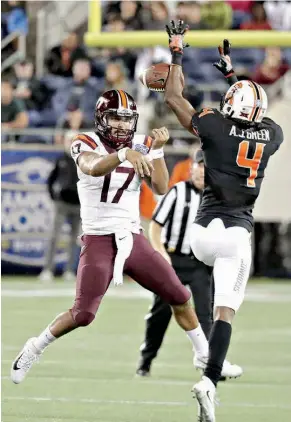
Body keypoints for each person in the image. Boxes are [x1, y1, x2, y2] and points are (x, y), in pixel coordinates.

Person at [11, 89, 209, 392]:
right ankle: (34, 348)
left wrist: (156, 151)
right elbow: (92, 166)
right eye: (115, 117)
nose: (121, 125)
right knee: (83, 314)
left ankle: (204, 355)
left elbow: (159, 186)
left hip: (132, 236)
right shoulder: (85, 141)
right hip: (99, 238)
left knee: (179, 295)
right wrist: (123, 154)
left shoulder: (140, 143)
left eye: (127, 119)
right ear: (102, 118)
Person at [164, 22, 283, 422]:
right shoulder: (273, 134)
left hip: (200, 235)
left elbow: (173, 95)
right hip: (235, 235)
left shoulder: (213, 124)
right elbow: (250, 115)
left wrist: (177, 51)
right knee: (225, 310)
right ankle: (209, 379)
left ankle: (209, 369)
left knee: (205, 289)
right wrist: (234, 77)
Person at [136, 149, 242, 379]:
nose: (201, 171)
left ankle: (212, 364)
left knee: (206, 313)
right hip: (173, 260)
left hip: (200, 264)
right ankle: (146, 360)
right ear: (192, 167)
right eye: (199, 165)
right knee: (160, 313)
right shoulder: (177, 191)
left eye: (206, 167)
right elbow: (156, 225)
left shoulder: (218, 198)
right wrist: (161, 253)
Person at [39, 131, 81, 281]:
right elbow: (51, 180)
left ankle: (69, 270)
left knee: (75, 240)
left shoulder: (84, 159)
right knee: (54, 237)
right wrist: (54, 196)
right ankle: (48, 269)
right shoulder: (61, 159)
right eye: (69, 140)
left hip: (78, 205)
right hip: (62, 204)